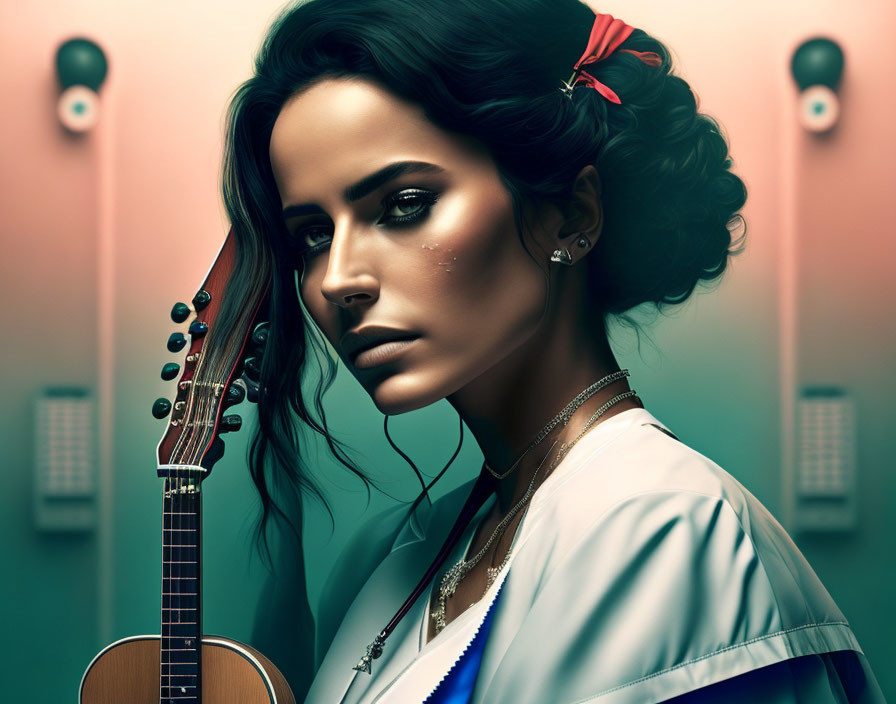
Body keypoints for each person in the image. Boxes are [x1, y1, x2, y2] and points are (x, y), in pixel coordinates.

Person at [220, 0, 885, 701]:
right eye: (312, 237)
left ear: (572, 212)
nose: (337, 279)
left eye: (404, 204)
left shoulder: (667, 531)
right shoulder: (389, 556)